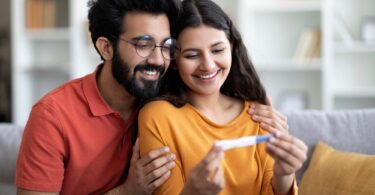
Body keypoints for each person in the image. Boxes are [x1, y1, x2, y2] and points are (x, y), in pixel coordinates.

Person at [15, 0, 287, 194]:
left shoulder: (166, 100)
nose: (158, 60)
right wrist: (127, 192)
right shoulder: (53, 116)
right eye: (143, 45)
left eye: (167, 46)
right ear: (106, 48)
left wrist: (265, 113)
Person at [138, 0, 308, 194]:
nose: (208, 65)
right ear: (174, 61)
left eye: (218, 50)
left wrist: (284, 174)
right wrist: (194, 190)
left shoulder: (258, 113)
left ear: (232, 48)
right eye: (192, 55)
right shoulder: (158, 117)